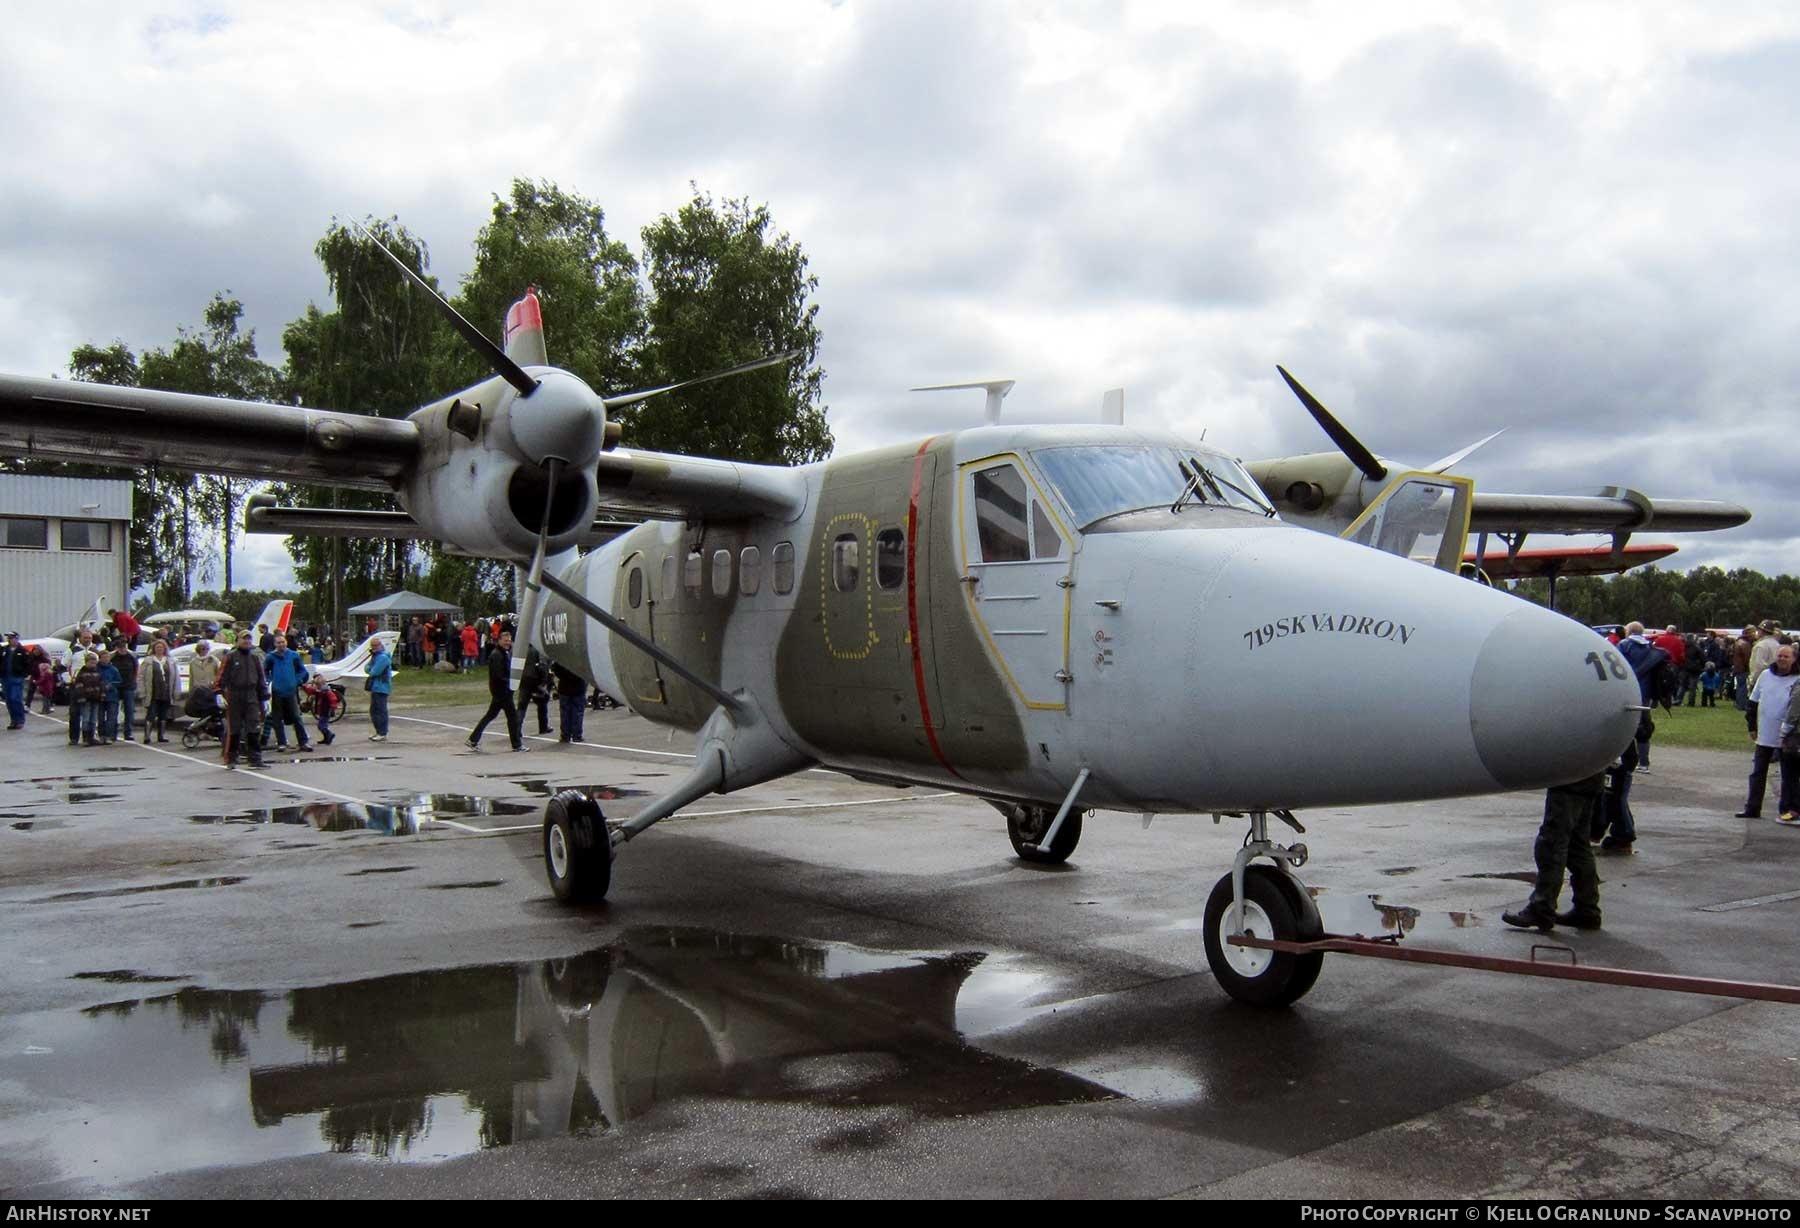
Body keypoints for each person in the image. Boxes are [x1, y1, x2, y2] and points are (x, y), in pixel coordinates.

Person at [1503, 769, 1608, 932]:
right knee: (1578, 846)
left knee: (1552, 844)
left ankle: (1541, 907)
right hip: (1590, 775)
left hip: (1571, 777)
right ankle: (1587, 909)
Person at [1739, 644, 1800, 821]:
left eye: (1786, 657)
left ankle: (1789, 809)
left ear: (1794, 659)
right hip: (1764, 734)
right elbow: (1753, 702)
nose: (1782, 659)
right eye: (1779, 656)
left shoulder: (1796, 679)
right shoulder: (1766, 675)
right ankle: (1752, 807)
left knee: (1789, 775)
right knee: (1758, 772)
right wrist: (1752, 726)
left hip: (1787, 737)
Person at [1617, 621, 1671, 770]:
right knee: (1644, 727)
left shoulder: (1624, 645)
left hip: (1626, 691)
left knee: (1623, 728)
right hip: (1645, 692)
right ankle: (1644, 762)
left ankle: (1628, 761)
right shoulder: (1650, 647)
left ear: (1629, 631)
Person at [219, 631, 269, 769]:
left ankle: (255, 758)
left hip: (251, 695)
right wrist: (218, 693)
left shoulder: (254, 658)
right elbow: (221, 677)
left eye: (249, 639)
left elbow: (261, 679)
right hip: (234, 695)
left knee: (253, 727)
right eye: (244, 639)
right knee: (234, 728)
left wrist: (264, 698)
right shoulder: (229, 657)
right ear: (237, 640)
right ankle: (231, 758)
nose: (246, 642)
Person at [467, 631, 523, 752]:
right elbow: (498, 675)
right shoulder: (497, 655)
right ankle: (517, 745)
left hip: (501, 692)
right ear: (499, 641)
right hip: (502, 692)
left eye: (509, 640)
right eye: (505, 640)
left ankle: (473, 739)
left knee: (490, 715)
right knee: (512, 718)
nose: (508, 642)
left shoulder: (505, 653)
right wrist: (510, 682)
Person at [262, 633, 314, 752]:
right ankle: (282, 742)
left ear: (286, 642)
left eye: (283, 642)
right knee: (277, 717)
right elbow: (264, 671)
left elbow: (302, 671)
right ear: (275, 644)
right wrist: (270, 682)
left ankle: (303, 742)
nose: (281, 644)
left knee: (296, 717)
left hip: (290, 691)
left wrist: (297, 681)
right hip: (276, 692)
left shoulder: (293, 656)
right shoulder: (271, 657)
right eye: (278, 642)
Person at [62, 628, 98, 745]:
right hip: (76, 686)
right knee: (75, 712)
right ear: (80, 638)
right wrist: (69, 680)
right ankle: (74, 737)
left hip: (92, 686)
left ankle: (89, 736)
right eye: (85, 637)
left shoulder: (95, 650)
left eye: (89, 638)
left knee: (91, 713)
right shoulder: (72, 650)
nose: (87, 640)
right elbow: (64, 666)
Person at [138, 639, 176, 743]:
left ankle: (161, 735)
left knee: (163, 714)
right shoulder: (148, 661)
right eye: (157, 647)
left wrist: (176, 692)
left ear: (165, 649)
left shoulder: (170, 661)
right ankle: (147, 736)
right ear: (154, 648)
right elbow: (141, 676)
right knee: (151, 714)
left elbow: (175, 677)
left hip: (166, 691)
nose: (159, 649)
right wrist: (142, 691)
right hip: (153, 692)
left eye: (161, 647)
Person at [72, 652, 104, 747]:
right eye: (91, 662)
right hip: (85, 699)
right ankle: (85, 737)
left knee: (93, 719)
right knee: (86, 718)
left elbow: (101, 684)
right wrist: (81, 697)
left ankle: (92, 736)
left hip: (96, 698)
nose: (93, 665)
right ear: (86, 662)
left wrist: (102, 694)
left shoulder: (98, 672)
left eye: (94, 663)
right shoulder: (82, 673)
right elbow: (79, 686)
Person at [517, 650, 552, 737]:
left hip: (524, 679)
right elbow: (542, 666)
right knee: (542, 703)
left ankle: (516, 729)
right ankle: (543, 727)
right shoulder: (539, 650)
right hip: (535, 679)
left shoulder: (523, 649)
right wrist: (544, 682)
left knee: (522, 706)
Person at [366, 637, 393, 742]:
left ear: (380, 645)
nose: (373, 648)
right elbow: (367, 667)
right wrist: (370, 669)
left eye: (376, 645)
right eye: (372, 646)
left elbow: (374, 672)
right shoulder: (375, 657)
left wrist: (370, 669)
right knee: (373, 710)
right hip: (375, 687)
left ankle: (382, 732)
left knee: (380, 710)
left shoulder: (382, 658)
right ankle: (378, 731)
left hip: (382, 687)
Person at [1, 630, 29, 730]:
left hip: (16, 678)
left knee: (15, 699)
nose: (10, 640)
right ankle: (13, 720)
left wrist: (24, 674)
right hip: (5, 677)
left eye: (12, 638)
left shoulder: (22, 651)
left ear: (16, 638)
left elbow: (28, 664)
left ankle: (20, 720)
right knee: (8, 700)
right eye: (8, 638)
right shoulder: (4, 650)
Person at [95, 649, 123, 744]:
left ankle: (109, 735)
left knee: (112, 717)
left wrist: (111, 685)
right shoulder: (96, 669)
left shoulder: (113, 669)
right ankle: (101, 735)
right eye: (103, 657)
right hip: (99, 696)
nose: (106, 659)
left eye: (107, 657)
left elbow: (119, 681)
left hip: (112, 696)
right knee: (100, 717)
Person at [555, 661, 586, 743]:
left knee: (565, 713)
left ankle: (565, 735)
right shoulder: (580, 659)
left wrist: (563, 677)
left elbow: (555, 668)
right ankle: (577, 735)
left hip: (564, 687)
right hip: (578, 687)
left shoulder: (562, 658)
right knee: (578, 713)